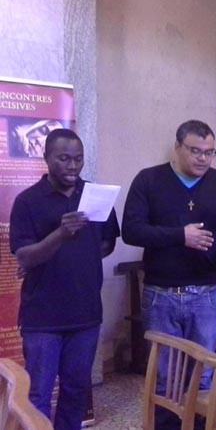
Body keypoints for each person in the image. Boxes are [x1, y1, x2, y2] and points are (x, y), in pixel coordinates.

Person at [121, 119, 216, 430]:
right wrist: (180, 236)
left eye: (209, 152)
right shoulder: (149, 180)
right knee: (164, 374)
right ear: (177, 147)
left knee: (203, 373)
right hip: (161, 294)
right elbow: (131, 231)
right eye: (195, 151)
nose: (203, 158)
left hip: (207, 294)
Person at [9, 128, 120, 430]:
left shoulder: (95, 195)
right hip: (43, 318)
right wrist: (60, 234)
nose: (73, 166)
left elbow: (108, 242)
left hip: (85, 315)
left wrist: (78, 259)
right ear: (46, 158)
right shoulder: (28, 201)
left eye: (78, 159)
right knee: (38, 395)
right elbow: (24, 257)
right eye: (64, 159)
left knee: (75, 393)